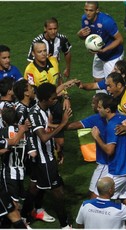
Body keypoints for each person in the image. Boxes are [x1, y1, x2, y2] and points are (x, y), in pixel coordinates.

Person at [26, 83, 72, 228]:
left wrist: (58, 148)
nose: (55, 100)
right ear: (44, 99)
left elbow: (47, 131)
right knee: (58, 192)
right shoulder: (34, 114)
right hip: (43, 160)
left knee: (34, 187)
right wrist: (63, 123)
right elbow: (44, 137)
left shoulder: (45, 109)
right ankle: (65, 225)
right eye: (53, 99)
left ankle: (23, 217)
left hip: (46, 155)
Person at [91, 94, 126, 220]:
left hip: (119, 170)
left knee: (98, 198)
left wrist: (97, 137)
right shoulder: (124, 119)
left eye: (100, 107)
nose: (98, 109)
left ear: (107, 109)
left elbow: (109, 150)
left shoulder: (112, 125)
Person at [65, 93, 108, 198]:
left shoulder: (96, 118)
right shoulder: (119, 117)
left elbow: (74, 126)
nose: (92, 105)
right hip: (122, 162)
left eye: (94, 104)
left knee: (94, 193)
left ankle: (94, 212)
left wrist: (55, 125)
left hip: (106, 162)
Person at [77, 1, 124, 83]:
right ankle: (101, 96)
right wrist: (80, 35)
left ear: (97, 10)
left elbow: (120, 39)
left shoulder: (106, 22)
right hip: (99, 53)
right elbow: (89, 38)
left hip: (113, 56)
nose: (88, 13)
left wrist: (104, 50)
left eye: (91, 10)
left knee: (112, 83)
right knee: (97, 79)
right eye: (86, 10)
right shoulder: (84, 19)